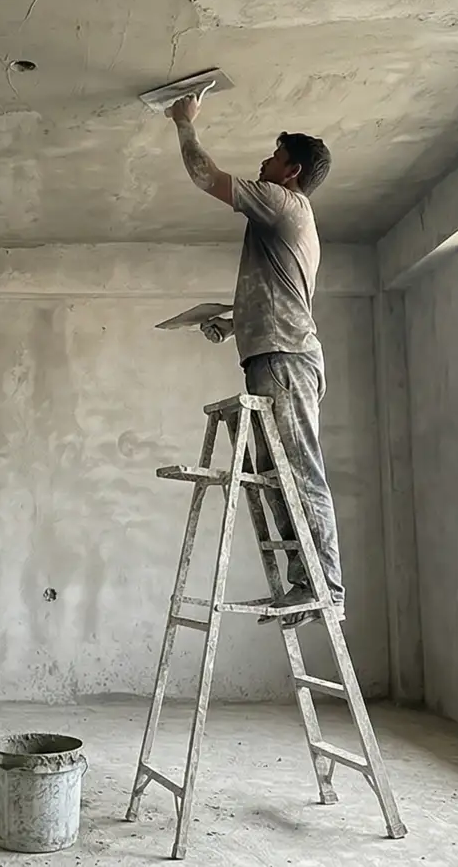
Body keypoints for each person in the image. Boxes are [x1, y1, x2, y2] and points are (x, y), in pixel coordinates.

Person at [165, 90, 342, 625]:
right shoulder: (284, 219)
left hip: (286, 359)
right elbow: (272, 296)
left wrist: (184, 123)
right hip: (273, 355)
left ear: (292, 171)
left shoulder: (284, 203)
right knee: (276, 475)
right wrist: (229, 322)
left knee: (298, 471)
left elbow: (205, 176)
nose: (265, 162)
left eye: (274, 155)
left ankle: (325, 587)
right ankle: (304, 581)